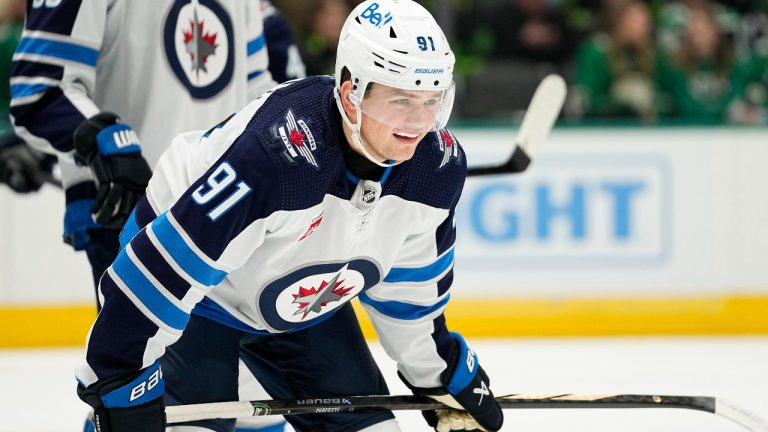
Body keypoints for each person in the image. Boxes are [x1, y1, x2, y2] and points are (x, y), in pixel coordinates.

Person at [74, 1, 505, 432]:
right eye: (401, 98)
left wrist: (441, 375)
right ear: (352, 90)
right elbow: (162, 267)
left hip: (302, 303)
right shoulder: (277, 155)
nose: (419, 122)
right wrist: (119, 374)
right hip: (202, 299)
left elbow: (410, 292)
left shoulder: (435, 168)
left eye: (432, 99)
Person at [10, 1, 287, 431]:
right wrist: (101, 142)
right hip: (138, 224)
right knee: (160, 404)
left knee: (255, 406)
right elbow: (40, 89)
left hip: (241, 222)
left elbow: (259, 93)